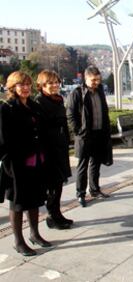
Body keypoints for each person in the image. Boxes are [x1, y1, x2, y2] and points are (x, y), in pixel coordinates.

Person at [0, 71, 51, 256]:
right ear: (13, 87)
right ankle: (18, 241)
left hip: (36, 161)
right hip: (16, 165)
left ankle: (35, 234)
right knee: (18, 203)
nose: (25, 88)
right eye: (21, 85)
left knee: (35, 200)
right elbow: (2, 140)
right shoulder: (7, 108)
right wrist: (9, 163)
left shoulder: (33, 105)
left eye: (28, 84)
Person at [66, 66, 113, 207]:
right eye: (93, 80)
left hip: (99, 134)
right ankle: (80, 194)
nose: (96, 82)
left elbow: (104, 111)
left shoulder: (100, 92)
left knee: (95, 164)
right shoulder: (77, 93)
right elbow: (70, 115)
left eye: (98, 79)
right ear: (85, 78)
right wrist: (79, 132)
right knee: (83, 166)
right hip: (85, 136)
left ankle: (95, 189)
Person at [35, 70, 73, 229]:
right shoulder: (39, 102)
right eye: (50, 83)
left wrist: (67, 141)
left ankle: (57, 213)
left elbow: (63, 123)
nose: (55, 85)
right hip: (48, 149)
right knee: (51, 184)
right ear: (42, 85)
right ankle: (51, 216)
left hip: (60, 147)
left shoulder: (58, 99)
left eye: (56, 82)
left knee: (58, 183)